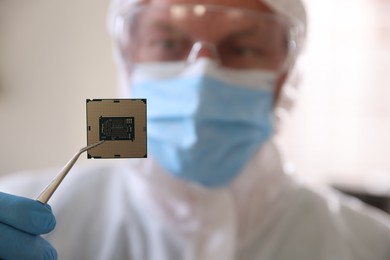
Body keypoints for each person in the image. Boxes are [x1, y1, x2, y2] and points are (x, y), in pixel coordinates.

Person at [1, 0, 390, 259]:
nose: (203, 73)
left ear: (284, 75)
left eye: (242, 47)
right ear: (128, 60)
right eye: (169, 42)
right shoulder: (18, 216)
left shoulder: (371, 245)